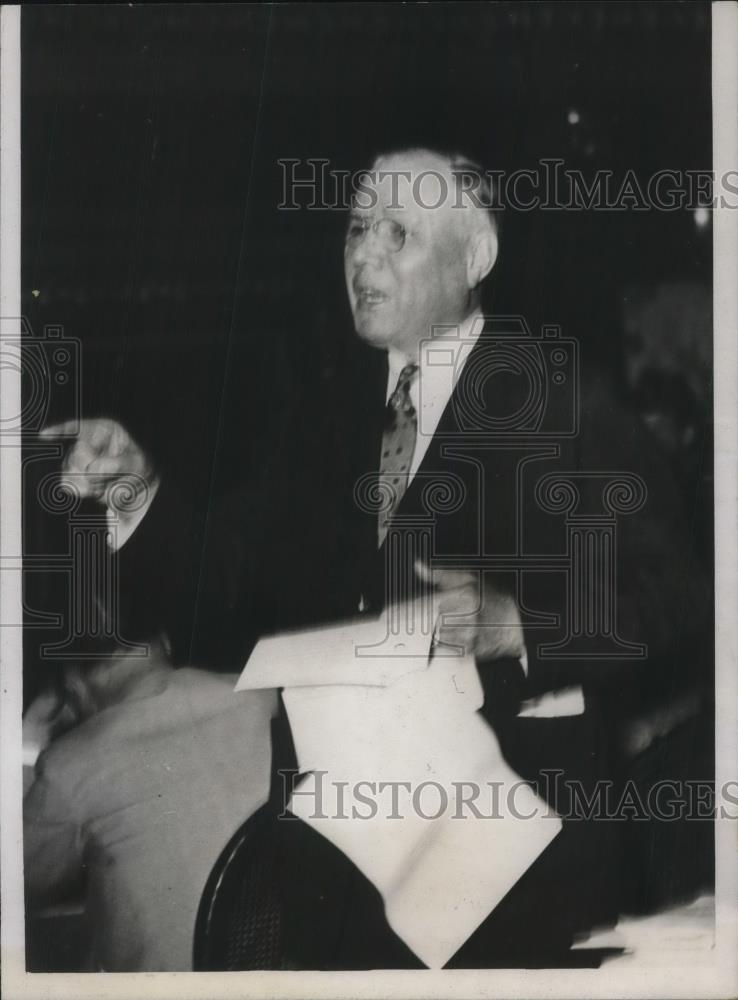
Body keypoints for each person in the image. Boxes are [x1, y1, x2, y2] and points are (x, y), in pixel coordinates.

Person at [39, 148, 710, 967]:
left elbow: (680, 595)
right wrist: (139, 494)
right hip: (337, 871)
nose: (362, 253)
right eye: (357, 227)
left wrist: (522, 625)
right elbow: (233, 576)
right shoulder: (319, 409)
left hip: (514, 881)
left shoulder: (563, 398)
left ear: (476, 258)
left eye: (399, 233)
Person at [23, 640, 276, 971]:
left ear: (71, 682)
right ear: (166, 641)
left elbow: (23, 882)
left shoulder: (69, 763)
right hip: (265, 965)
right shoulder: (260, 699)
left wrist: (30, 739)